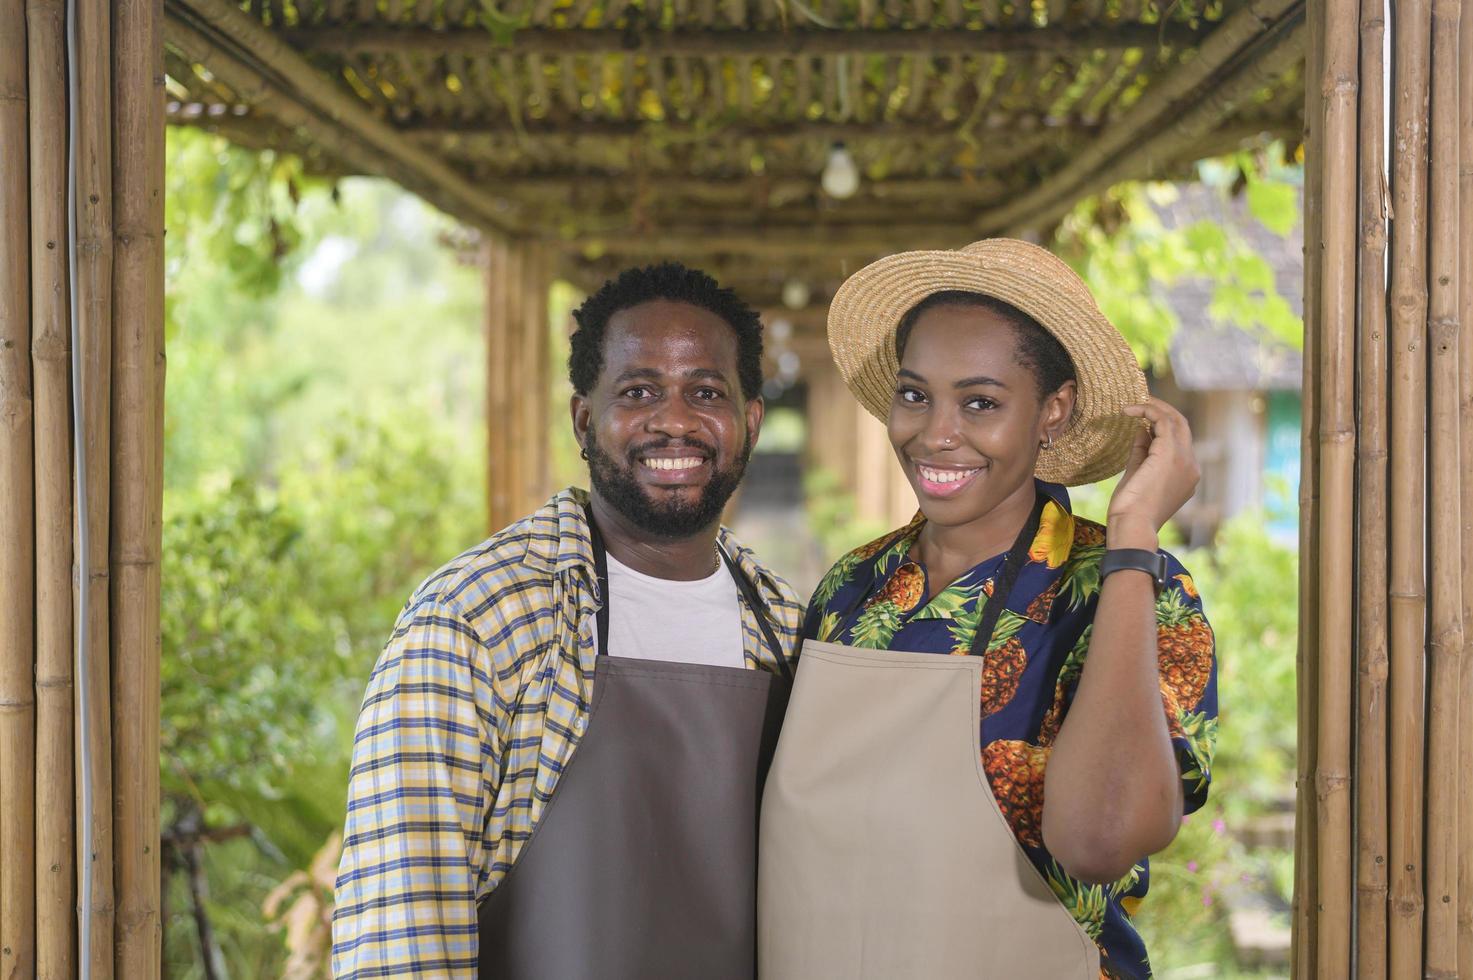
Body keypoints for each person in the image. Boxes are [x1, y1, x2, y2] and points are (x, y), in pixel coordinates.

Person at [759, 239, 1218, 980]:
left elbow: (1098, 841)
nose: (934, 433)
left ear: (1054, 412)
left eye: (980, 402)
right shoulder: (852, 589)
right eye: (914, 395)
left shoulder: (1136, 593)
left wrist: (1133, 537)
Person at [332, 262, 801, 979]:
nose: (673, 420)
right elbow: (402, 940)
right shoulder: (474, 623)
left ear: (751, 421)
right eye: (638, 391)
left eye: (705, 392)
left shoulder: (788, 628)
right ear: (585, 419)